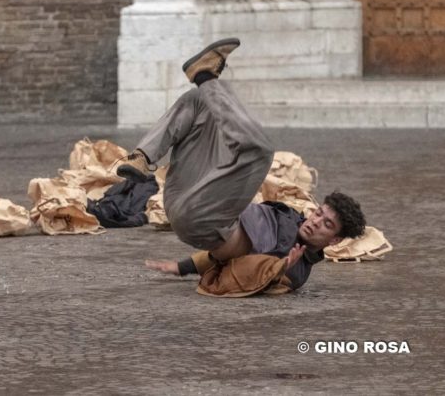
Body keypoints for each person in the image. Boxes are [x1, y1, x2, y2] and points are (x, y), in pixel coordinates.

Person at [116, 38, 366, 290]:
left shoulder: (297, 269)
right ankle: (142, 157)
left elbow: (241, 269)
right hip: (184, 196)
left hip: (204, 220)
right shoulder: (292, 217)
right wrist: (180, 268)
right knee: (200, 100)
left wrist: (277, 271)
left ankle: (204, 75)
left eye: (327, 224)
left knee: (261, 153)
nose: (315, 221)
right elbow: (212, 257)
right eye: (319, 213)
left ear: (334, 240)